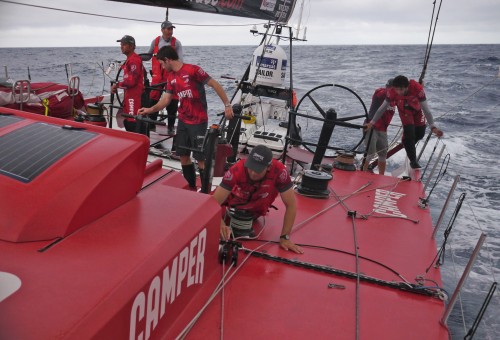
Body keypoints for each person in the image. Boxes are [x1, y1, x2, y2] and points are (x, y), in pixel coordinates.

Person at [138, 45, 234, 189]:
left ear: (167, 60)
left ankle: (205, 191)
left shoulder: (193, 70)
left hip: (198, 121)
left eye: (162, 64)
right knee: (183, 155)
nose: (162, 67)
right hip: (183, 120)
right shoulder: (171, 78)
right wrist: (150, 109)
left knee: (200, 159)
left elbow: (214, 84)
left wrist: (227, 105)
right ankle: (191, 187)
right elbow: (166, 100)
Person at [213, 145, 304, 254]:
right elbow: (213, 203)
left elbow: (291, 205)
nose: (253, 173)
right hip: (230, 207)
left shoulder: (280, 172)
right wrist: (220, 223)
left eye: (258, 170)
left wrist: (285, 237)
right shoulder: (237, 169)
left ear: (269, 167)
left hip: (255, 211)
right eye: (251, 167)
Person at [365, 75, 443, 169]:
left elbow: (426, 110)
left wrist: (432, 127)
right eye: (396, 89)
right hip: (402, 112)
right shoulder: (389, 92)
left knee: (420, 134)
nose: (398, 92)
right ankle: (413, 161)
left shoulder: (416, 89)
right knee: (409, 135)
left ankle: (406, 142)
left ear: (407, 87)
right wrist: (372, 122)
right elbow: (381, 108)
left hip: (416, 110)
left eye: (401, 89)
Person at [143, 20, 184, 134]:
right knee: (153, 98)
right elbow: (148, 55)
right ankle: (151, 124)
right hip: (157, 76)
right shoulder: (155, 41)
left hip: (171, 76)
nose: (170, 31)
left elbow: (180, 60)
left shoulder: (177, 43)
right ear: (162, 30)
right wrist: (138, 57)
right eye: (168, 29)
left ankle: (170, 126)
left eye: (172, 29)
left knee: (173, 101)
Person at [111, 35, 146, 135]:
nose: (121, 46)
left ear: (131, 46)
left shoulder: (134, 60)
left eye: (124, 44)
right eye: (121, 44)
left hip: (134, 98)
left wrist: (118, 85)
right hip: (130, 96)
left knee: (132, 122)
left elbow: (131, 81)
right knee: (129, 121)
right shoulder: (130, 60)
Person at [363, 79, 396, 175]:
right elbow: (383, 93)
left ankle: (381, 175)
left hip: (383, 130)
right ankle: (362, 172)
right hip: (371, 127)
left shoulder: (395, 100)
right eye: (392, 89)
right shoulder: (380, 93)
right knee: (370, 153)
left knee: (383, 154)